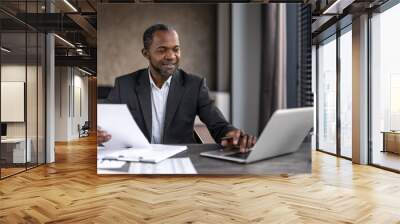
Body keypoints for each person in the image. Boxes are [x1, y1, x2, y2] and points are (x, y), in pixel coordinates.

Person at [98, 24, 256, 152]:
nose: (171, 56)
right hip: (139, 159)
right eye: (162, 50)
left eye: (176, 49)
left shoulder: (194, 85)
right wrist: (97, 130)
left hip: (181, 158)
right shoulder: (125, 84)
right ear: (146, 53)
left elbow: (218, 124)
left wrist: (232, 136)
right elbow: (104, 118)